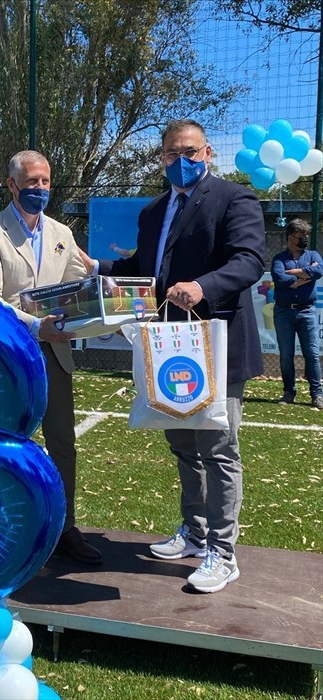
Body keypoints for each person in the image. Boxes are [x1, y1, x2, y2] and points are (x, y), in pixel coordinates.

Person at [79, 119, 265, 592]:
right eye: (170, 154)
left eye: (190, 151)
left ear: (207, 153)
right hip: (169, 347)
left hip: (217, 341)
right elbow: (144, 271)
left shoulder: (233, 198)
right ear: (161, 158)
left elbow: (249, 259)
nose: (180, 161)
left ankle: (223, 552)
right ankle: (196, 534)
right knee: (183, 443)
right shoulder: (153, 210)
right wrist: (98, 266)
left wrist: (202, 287)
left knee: (218, 447)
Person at [0, 150, 102, 565]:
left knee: (63, 442)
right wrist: (34, 325)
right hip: (10, 356)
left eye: (45, 181)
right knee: (8, 443)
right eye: (31, 182)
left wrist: (94, 303)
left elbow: (76, 287)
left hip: (55, 354)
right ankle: (7, 523)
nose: (40, 189)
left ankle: (64, 527)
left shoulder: (63, 231)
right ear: (11, 184)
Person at [271, 219, 323, 409]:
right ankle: (289, 392)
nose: (305, 239)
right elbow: (280, 278)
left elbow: (319, 270)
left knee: (312, 354)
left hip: (307, 311)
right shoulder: (279, 259)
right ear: (290, 237)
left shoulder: (313, 255)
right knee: (286, 355)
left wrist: (297, 272)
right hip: (283, 312)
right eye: (301, 237)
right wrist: (303, 279)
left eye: (306, 236)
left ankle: (317, 394)